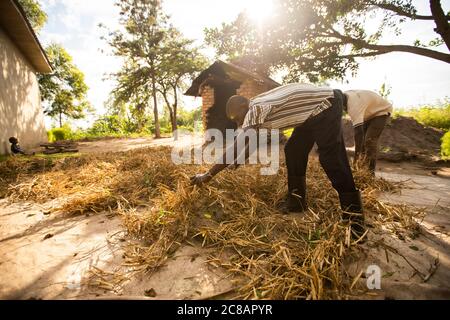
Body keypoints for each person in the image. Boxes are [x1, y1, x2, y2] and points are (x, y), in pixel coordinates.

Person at [191, 83, 366, 239]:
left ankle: (355, 220)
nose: (240, 122)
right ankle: (297, 201)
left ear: (244, 105)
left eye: (238, 118)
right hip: (309, 114)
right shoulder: (259, 110)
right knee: (293, 150)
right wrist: (239, 160)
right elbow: (255, 139)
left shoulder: (255, 109)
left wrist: (208, 174)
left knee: (331, 158)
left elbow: (240, 143)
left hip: (325, 105)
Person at [344, 90, 393, 174]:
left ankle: (370, 173)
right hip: (368, 113)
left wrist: (356, 159)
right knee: (362, 144)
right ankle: (361, 171)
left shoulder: (353, 106)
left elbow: (358, 133)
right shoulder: (343, 96)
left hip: (381, 111)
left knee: (369, 141)